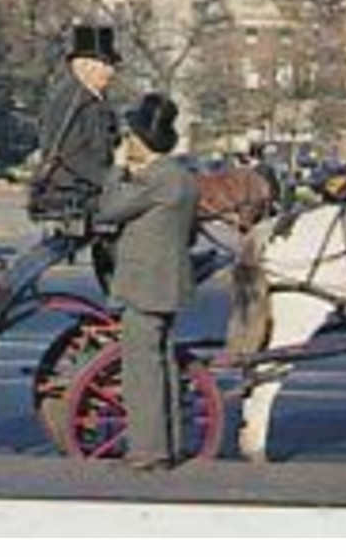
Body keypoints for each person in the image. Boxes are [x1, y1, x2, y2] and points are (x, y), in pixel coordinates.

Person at [94, 93, 198, 470]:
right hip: (168, 286)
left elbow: (108, 209)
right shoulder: (183, 178)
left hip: (144, 287)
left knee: (141, 371)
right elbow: (189, 236)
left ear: (140, 139)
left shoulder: (155, 180)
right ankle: (167, 444)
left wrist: (117, 169)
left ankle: (148, 451)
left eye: (131, 136)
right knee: (163, 365)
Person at [32, 22, 122, 242]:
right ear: (84, 65)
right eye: (107, 64)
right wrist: (110, 180)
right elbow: (71, 154)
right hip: (72, 187)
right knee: (149, 202)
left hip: (86, 183)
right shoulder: (70, 100)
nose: (112, 71)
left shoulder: (91, 98)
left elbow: (110, 141)